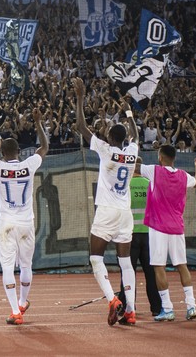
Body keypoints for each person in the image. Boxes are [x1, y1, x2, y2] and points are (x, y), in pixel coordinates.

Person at [73, 78, 140, 326]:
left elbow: (81, 127)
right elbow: (135, 134)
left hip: (107, 211)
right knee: (126, 263)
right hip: (125, 212)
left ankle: (113, 299)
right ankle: (131, 310)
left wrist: (80, 97)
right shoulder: (132, 152)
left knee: (96, 258)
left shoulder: (105, 149)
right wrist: (129, 111)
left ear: (110, 137)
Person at [0, 109, 47, 325]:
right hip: (27, 222)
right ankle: (22, 302)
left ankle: (15, 311)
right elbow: (44, 147)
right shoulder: (29, 165)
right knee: (26, 266)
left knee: (8, 268)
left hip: (7, 223)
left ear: (1, 150)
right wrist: (38, 123)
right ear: (19, 151)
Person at [136, 145, 196, 321]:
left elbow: (132, 165)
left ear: (160, 157)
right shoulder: (183, 175)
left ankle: (167, 308)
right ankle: (191, 306)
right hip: (177, 228)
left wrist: (128, 147)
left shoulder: (154, 171)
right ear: (174, 158)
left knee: (159, 267)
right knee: (182, 265)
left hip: (158, 228)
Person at [117, 158, 161, 321]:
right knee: (151, 274)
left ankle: (127, 307)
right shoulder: (150, 184)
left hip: (129, 236)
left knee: (128, 273)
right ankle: (157, 308)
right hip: (149, 235)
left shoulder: (125, 186)